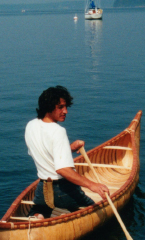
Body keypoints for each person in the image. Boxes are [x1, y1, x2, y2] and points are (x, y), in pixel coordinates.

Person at [25, 86, 110, 220]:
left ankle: (38, 216)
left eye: (66, 107)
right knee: (93, 210)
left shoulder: (31, 125)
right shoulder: (58, 131)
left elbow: (46, 153)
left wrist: (70, 147)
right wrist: (92, 185)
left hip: (43, 189)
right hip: (63, 190)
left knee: (37, 210)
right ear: (48, 107)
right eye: (60, 107)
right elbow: (62, 169)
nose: (65, 111)